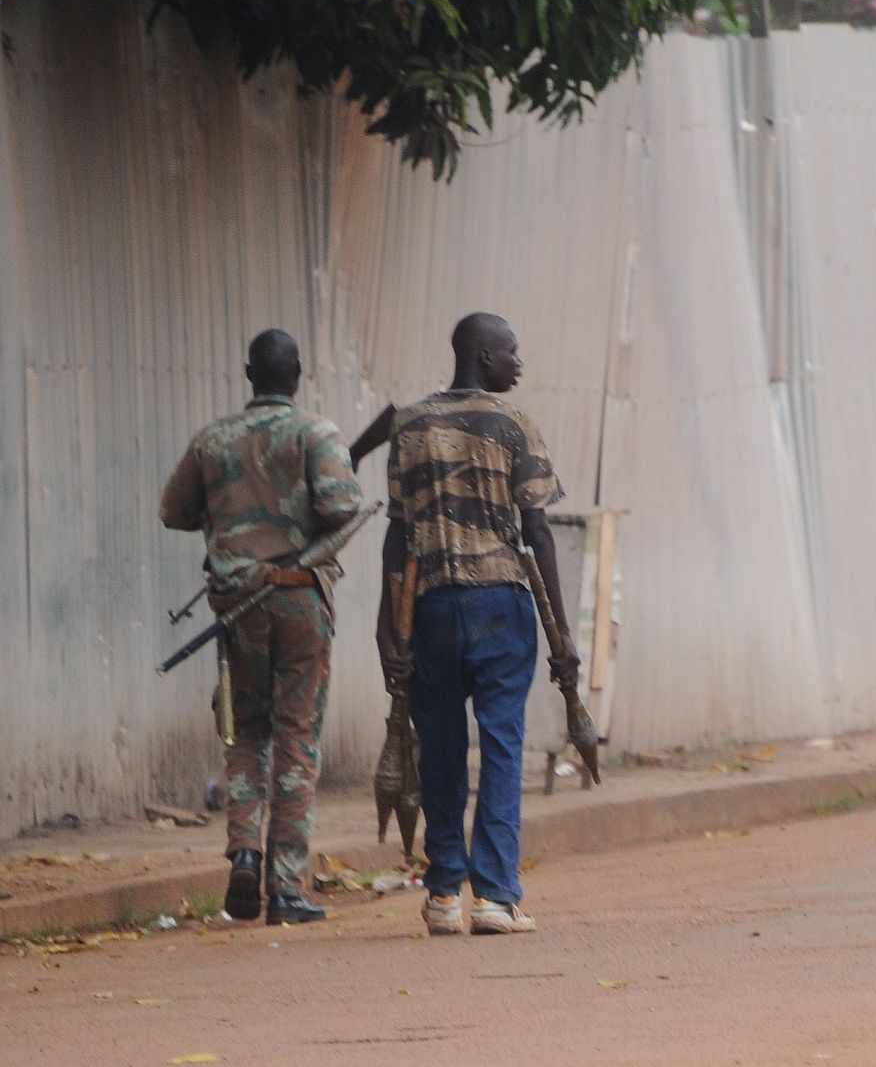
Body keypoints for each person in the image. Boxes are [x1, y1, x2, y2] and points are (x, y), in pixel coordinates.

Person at [379, 312, 578, 936]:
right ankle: (494, 897)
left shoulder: (409, 424)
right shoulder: (513, 424)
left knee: (437, 749)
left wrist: (388, 628)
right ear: (485, 356)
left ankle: (442, 895)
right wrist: (562, 635)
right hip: (499, 604)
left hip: (431, 608)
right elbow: (537, 532)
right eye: (511, 353)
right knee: (500, 746)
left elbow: (397, 534)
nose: (518, 363)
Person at [159, 329, 364, 924]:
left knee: (247, 733)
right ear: (297, 373)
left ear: (249, 373)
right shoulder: (316, 434)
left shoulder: (213, 440)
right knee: (297, 738)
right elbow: (343, 510)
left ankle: (245, 854)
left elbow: (174, 512)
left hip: (237, 606)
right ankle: (286, 888)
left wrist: (230, 516)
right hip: (299, 604)